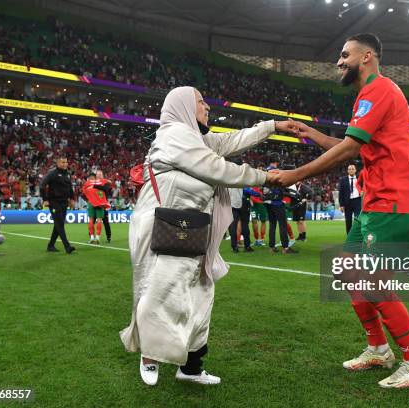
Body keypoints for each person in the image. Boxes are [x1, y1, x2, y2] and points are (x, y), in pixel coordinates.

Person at [275, 33, 409, 388]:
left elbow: (349, 150)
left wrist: (295, 175)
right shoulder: (370, 94)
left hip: (393, 201)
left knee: (374, 284)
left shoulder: (378, 90)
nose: (339, 62)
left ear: (367, 56)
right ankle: (378, 348)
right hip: (376, 201)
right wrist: (312, 133)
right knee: (348, 272)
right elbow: (356, 146)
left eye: (345, 55)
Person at [119, 86, 294, 386]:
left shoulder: (196, 138)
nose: (207, 107)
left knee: (202, 294)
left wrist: (273, 127)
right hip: (163, 228)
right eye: (200, 102)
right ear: (183, 105)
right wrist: (266, 177)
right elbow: (215, 168)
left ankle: (190, 367)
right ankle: (150, 352)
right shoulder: (173, 134)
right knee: (161, 291)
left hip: (190, 230)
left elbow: (232, 140)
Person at [40, 156, 76, 254]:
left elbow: (70, 187)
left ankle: (51, 245)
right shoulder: (52, 174)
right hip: (54, 203)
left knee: (58, 224)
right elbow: (42, 186)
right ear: (58, 163)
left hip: (64, 203)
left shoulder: (67, 174)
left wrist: (72, 199)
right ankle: (67, 246)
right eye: (63, 162)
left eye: (66, 162)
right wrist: (45, 199)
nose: (65, 164)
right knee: (60, 224)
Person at [263, 155, 297, 254]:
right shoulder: (276, 171)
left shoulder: (265, 170)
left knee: (272, 225)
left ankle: (272, 247)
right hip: (276, 201)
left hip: (267, 201)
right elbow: (281, 184)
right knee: (282, 224)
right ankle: (285, 248)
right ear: (276, 161)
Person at [82, 173, 110, 244]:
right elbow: (108, 183)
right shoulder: (102, 182)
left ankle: (92, 237)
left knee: (91, 219)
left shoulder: (87, 183)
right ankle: (97, 237)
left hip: (91, 202)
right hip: (100, 202)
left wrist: (88, 199)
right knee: (99, 220)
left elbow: (83, 193)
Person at [338, 164, 362, 234]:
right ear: (347, 171)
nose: (351, 170)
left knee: (358, 219)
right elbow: (341, 193)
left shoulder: (360, 179)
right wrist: (341, 205)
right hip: (347, 202)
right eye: (349, 169)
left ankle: (358, 235)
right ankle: (349, 235)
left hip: (357, 201)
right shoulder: (343, 180)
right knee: (348, 220)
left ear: (355, 170)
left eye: (352, 169)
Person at [249, 175, 267, 246]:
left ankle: (259, 240)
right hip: (258, 203)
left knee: (258, 221)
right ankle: (259, 240)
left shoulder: (251, 180)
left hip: (258, 203)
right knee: (259, 222)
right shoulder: (264, 180)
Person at [95, 170, 113, 243]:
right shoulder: (94, 183)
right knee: (92, 220)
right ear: (96, 176)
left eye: (100, 174)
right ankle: (91, 236)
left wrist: (96, 185)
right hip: (95, 205)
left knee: (106, 222)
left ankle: (108, 237)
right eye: (98, 174)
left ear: (102, 175)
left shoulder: (106, 183)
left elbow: (106, 190)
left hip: (103, 205)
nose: (99, 176)